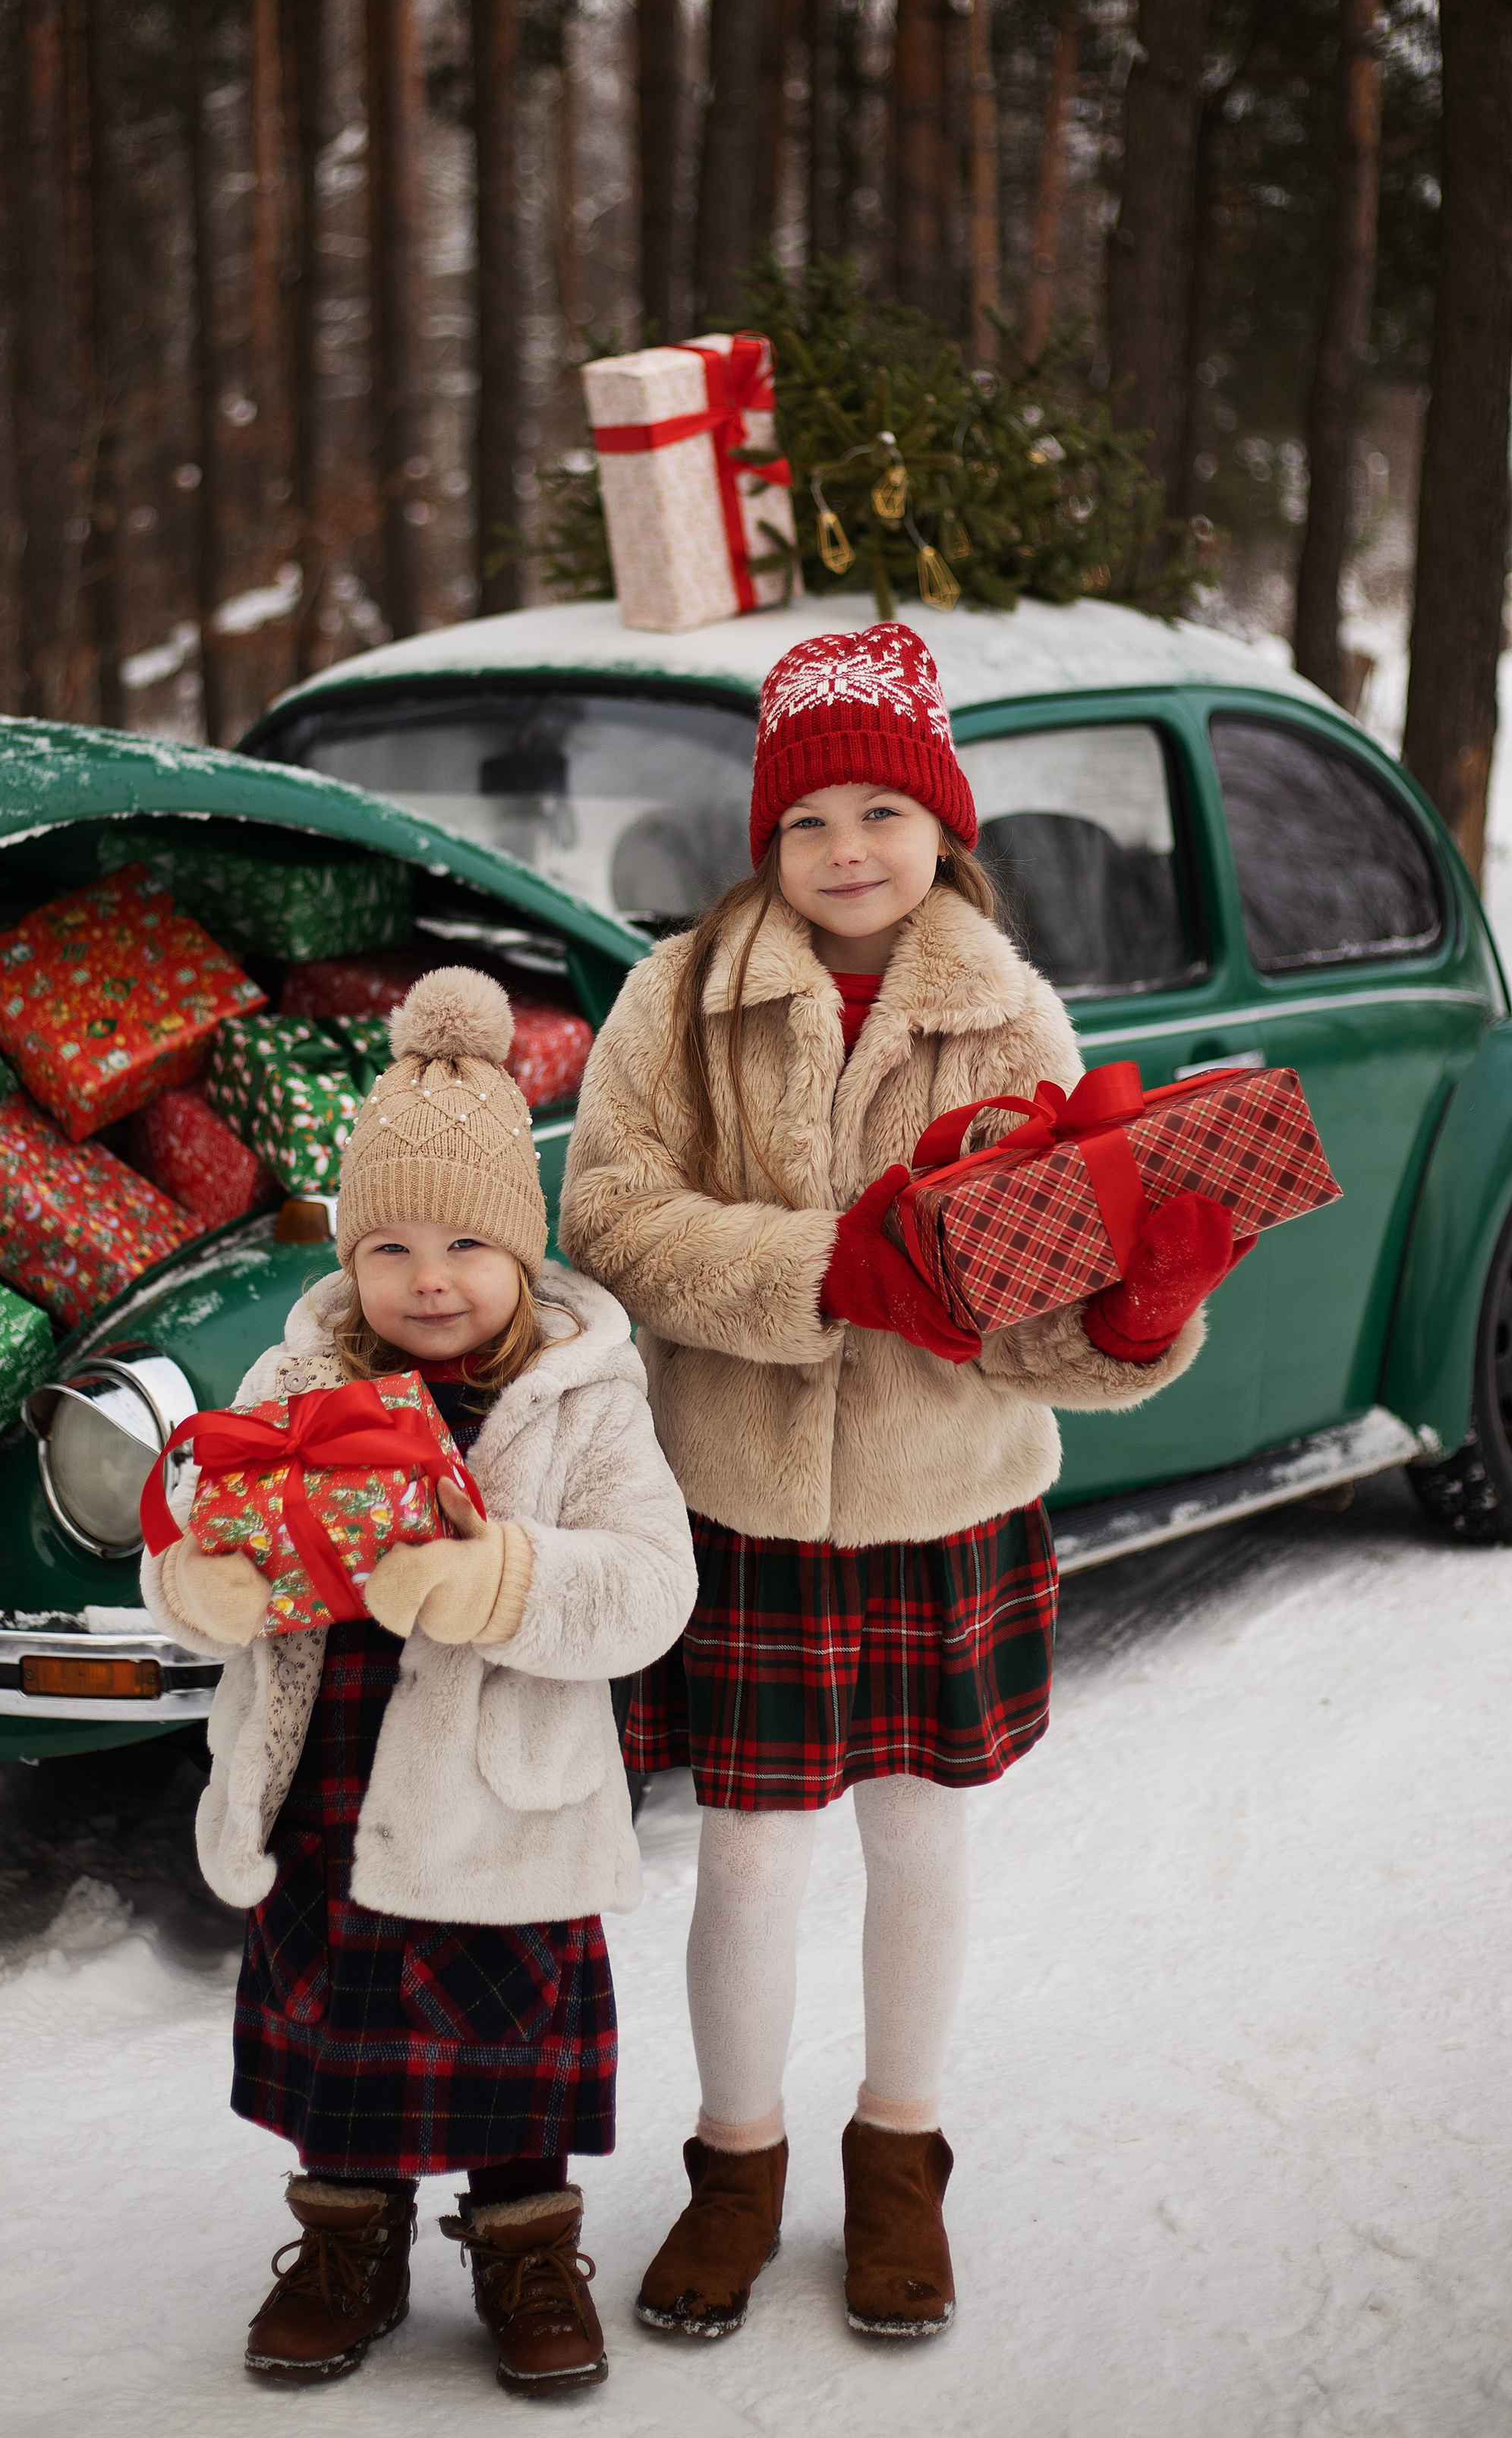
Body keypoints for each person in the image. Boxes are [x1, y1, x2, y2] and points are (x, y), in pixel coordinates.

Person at [560, 623, 1247, 2344]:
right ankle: (736, 2163)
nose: (847, 850)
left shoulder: (1004, 1008)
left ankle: (899, 2154)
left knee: (921, 1844)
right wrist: (824, 1268)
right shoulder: (681, 994)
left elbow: (1028, 1315)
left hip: (944, 1507)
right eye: (809, 822)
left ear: (945, 826)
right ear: (761, 840)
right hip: (744, 1506)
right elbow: (610, 1220)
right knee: (746, 1863)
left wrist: (1128, 1313)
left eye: (883, 810)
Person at [143, 965, 695, 2398]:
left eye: (465, 1242)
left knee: (508, 2044)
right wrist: (194, 1588)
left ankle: (524, 2246)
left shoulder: (583, 1398)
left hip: (505, 1799)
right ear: (348, 1256)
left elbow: (650, 1586)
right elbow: (210, 1537)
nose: (428, 1276)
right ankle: (348, 2244)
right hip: (328, 1778)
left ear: (523, 1252)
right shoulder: (289, 1380)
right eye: (387, 1245)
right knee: (346, 2034)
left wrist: (505, 1581)